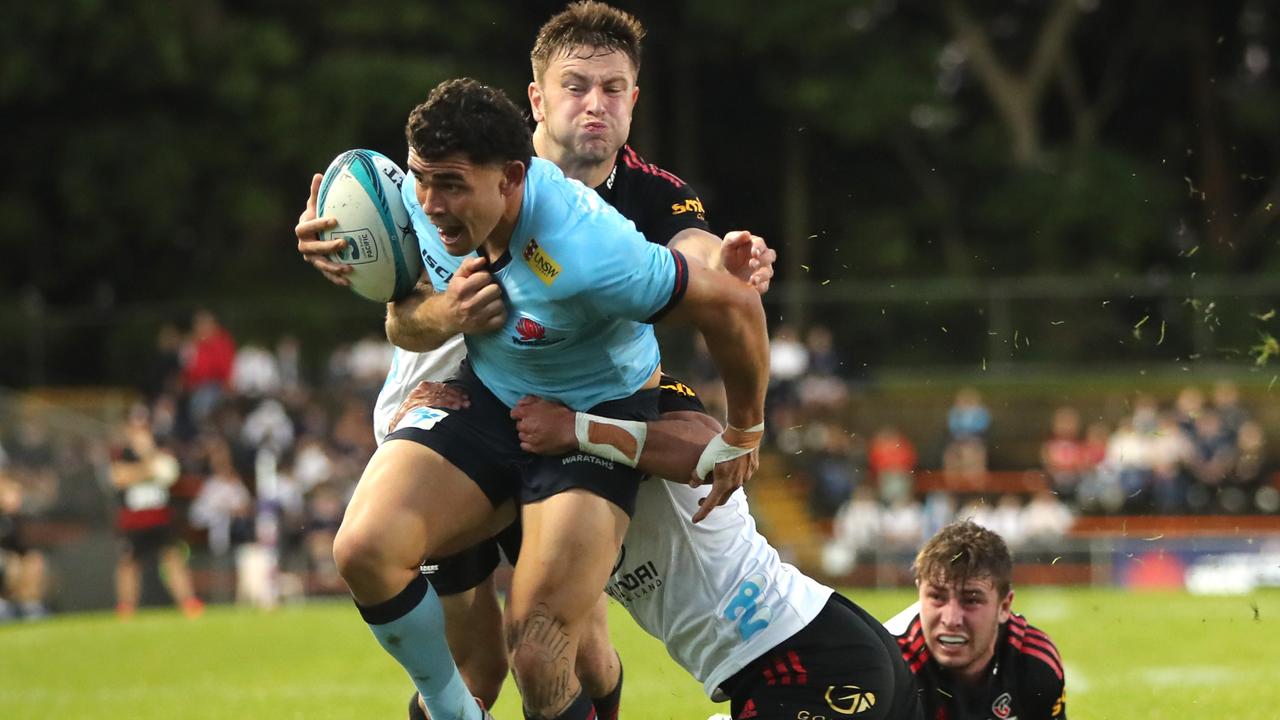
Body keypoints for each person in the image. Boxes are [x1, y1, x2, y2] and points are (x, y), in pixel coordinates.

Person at [294, 4, 776, 718]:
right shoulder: (455, 161)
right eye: (575, 85)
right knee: (447, 631)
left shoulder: (609, 225)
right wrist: (358, 254)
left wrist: (727, 272)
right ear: (535, 100)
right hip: (463, 400)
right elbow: (402, 309)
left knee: (554, 648)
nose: (594, 105)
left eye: (612, 89)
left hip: (584, 408)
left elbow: (700, 264)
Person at [886, 521, 1066, 720]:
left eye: (971, 600)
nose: (951, 619)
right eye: (937, 597)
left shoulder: (1033, 663)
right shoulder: (890, 668)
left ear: (1004, 607)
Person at [110, 404, 205, 620]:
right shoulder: (122, 453)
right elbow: (120, 477)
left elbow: (170, 472)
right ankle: (126, 607)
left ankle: (188, 602)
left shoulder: (161, 450)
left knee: (172, 558)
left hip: (160, 518)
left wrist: (147, 461)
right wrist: (146, 470)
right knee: (128, 563)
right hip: (133, 520)